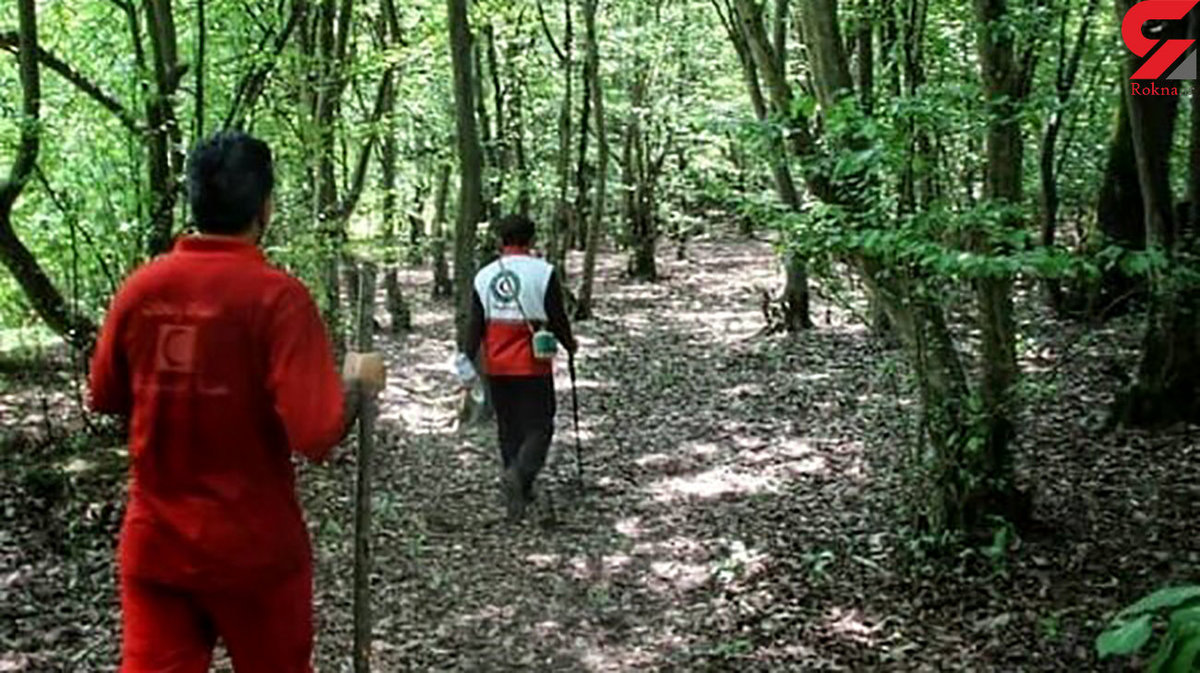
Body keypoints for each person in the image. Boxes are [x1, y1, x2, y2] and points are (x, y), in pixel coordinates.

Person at [88, 130, 385, 673]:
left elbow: (105, 394)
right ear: (264, 206)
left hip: (157, 547)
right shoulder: (278, 298)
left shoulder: (141, 290)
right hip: (255, 552)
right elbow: (317, 434)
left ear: (194, 201)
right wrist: (357, 382)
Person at [462, 214, 578, 521]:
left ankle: (516, 486)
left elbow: (475, 324)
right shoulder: (544, 272)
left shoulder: (484, 275)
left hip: (497, 364)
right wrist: (569, 344)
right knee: (541, 424)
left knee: (508, 425)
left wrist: (466, 358)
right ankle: (520, 475)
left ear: (500, 240)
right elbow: (557, 316)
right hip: (533, 363)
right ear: (532, 239)